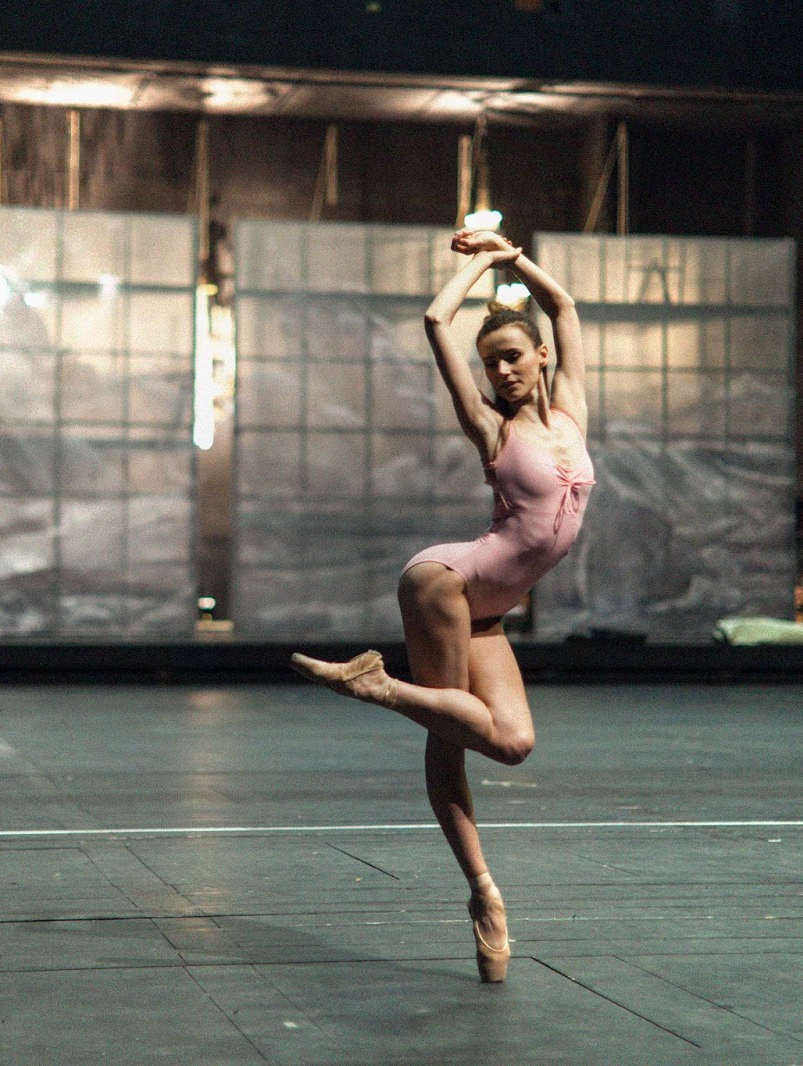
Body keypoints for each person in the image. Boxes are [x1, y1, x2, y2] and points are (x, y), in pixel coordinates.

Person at [293, 228, 594, 982]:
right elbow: (435, 320)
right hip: (444, 583)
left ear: (543, 357)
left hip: (488, 610)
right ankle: (484, 894)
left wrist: (512, 255)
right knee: (446, 737)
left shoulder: (572, 413)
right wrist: (483, 267)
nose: (501, 370)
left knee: (512, 743)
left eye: (512, 356)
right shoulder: (491, 429)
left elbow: (563, 305)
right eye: (491, 362)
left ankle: (382, 693)